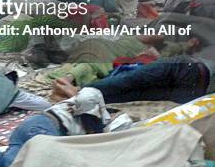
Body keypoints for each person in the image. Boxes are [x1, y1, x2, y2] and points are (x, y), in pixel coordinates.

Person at [0, 88, 110, 167]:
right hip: (46, 132)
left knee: (12, 161)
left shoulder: (69, 104)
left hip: (30, 125)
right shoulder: (92, 113)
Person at [54, 54, 214, 105]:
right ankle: (82, 94)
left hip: (189, 75)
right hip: (193, 86)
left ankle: (81, 92)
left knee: (130, 83)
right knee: (132, 94)